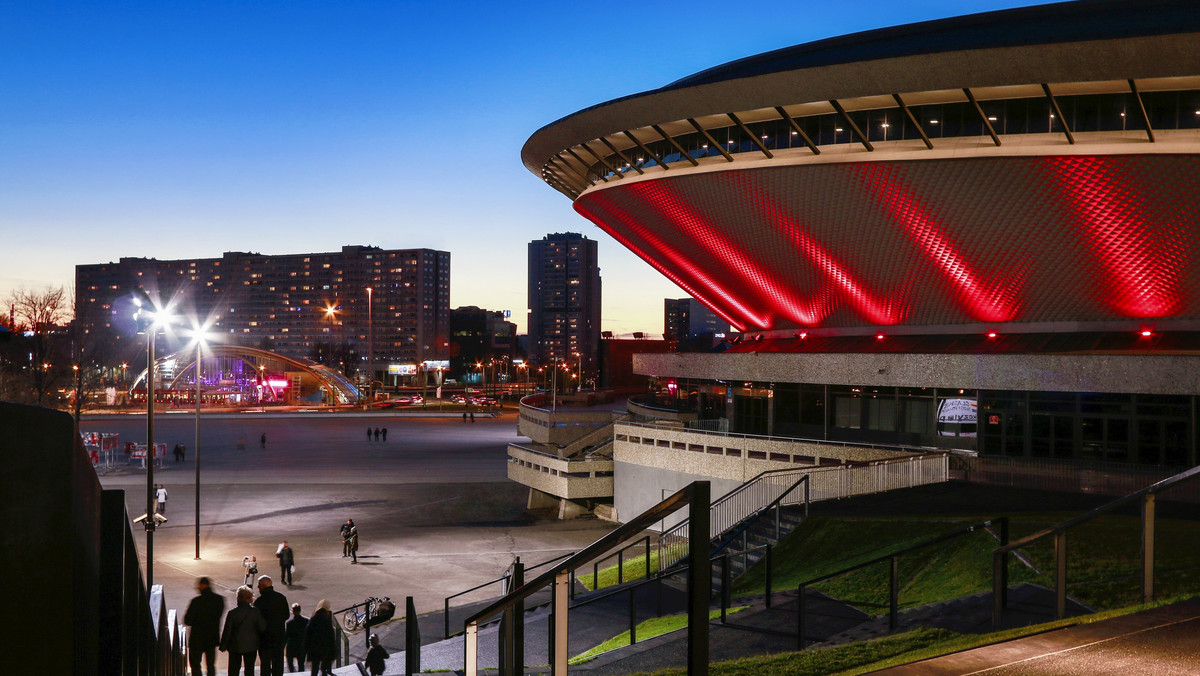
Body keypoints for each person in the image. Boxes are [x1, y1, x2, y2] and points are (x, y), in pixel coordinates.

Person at [219, 585, 266, 676]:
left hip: (235, 646)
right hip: (251, 645)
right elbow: (262, 627)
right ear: (250, 598)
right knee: (249, 669)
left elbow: (227, 630)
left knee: (234, 670)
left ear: (238, 598)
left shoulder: (232, 613)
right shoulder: (255, 611)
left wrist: (223, 645)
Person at [184, 576, 225, 676]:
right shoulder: (219, 600)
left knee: (195, 664)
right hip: (212, 638)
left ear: (202, 585)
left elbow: (187, 620)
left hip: (196, 638)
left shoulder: (196, 601)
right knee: (210, 664)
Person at [255, 575, 290, 676]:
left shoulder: (259, 602)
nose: (258, 587)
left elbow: (256, 620)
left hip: (264, 638)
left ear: (263, 586)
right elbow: (286, 615)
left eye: (259, 585)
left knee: (265, 664)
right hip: (279, 636)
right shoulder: (281, 598)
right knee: (278, 663)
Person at [303, 599, 335, 676]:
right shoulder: (327, 620)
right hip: (324, 647)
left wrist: (305, 647)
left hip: (314, 648)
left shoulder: (313, 619)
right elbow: (330, 635)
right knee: (324, 668)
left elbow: (308, 633)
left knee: (314, 667)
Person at [285, 603, 309, 674]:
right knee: (301, 665)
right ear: (300, 610)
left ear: (293, 611)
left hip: (291, 646)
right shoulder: (306, 621)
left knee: (290, 663)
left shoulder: (289, 623)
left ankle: (292, 673)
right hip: (301, 646)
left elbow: (286, 636)